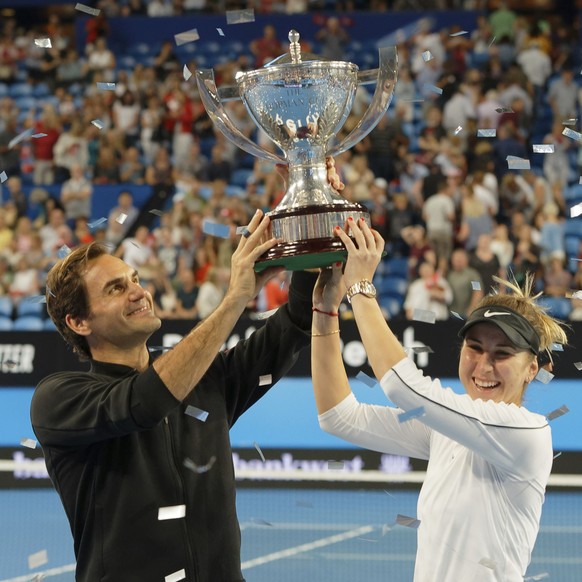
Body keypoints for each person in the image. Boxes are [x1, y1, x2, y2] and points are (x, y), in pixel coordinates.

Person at [30, 209, 319, 581]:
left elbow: (295, 322)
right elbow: (145, 402)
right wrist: (235, 299)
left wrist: (309, 213)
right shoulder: (59, 399)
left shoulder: (207, 379)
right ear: (79, 322)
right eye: (116, 288)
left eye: (134, 279)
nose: (139, 292)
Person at [310, 218, 568, 582]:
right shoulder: (447, 431)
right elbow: (338, 416)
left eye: (503, 354)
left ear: (533, 370)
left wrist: (361, 288)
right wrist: (324, 311)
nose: (484, 366)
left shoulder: (527, 433)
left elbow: (404, 387)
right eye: (475, 348)